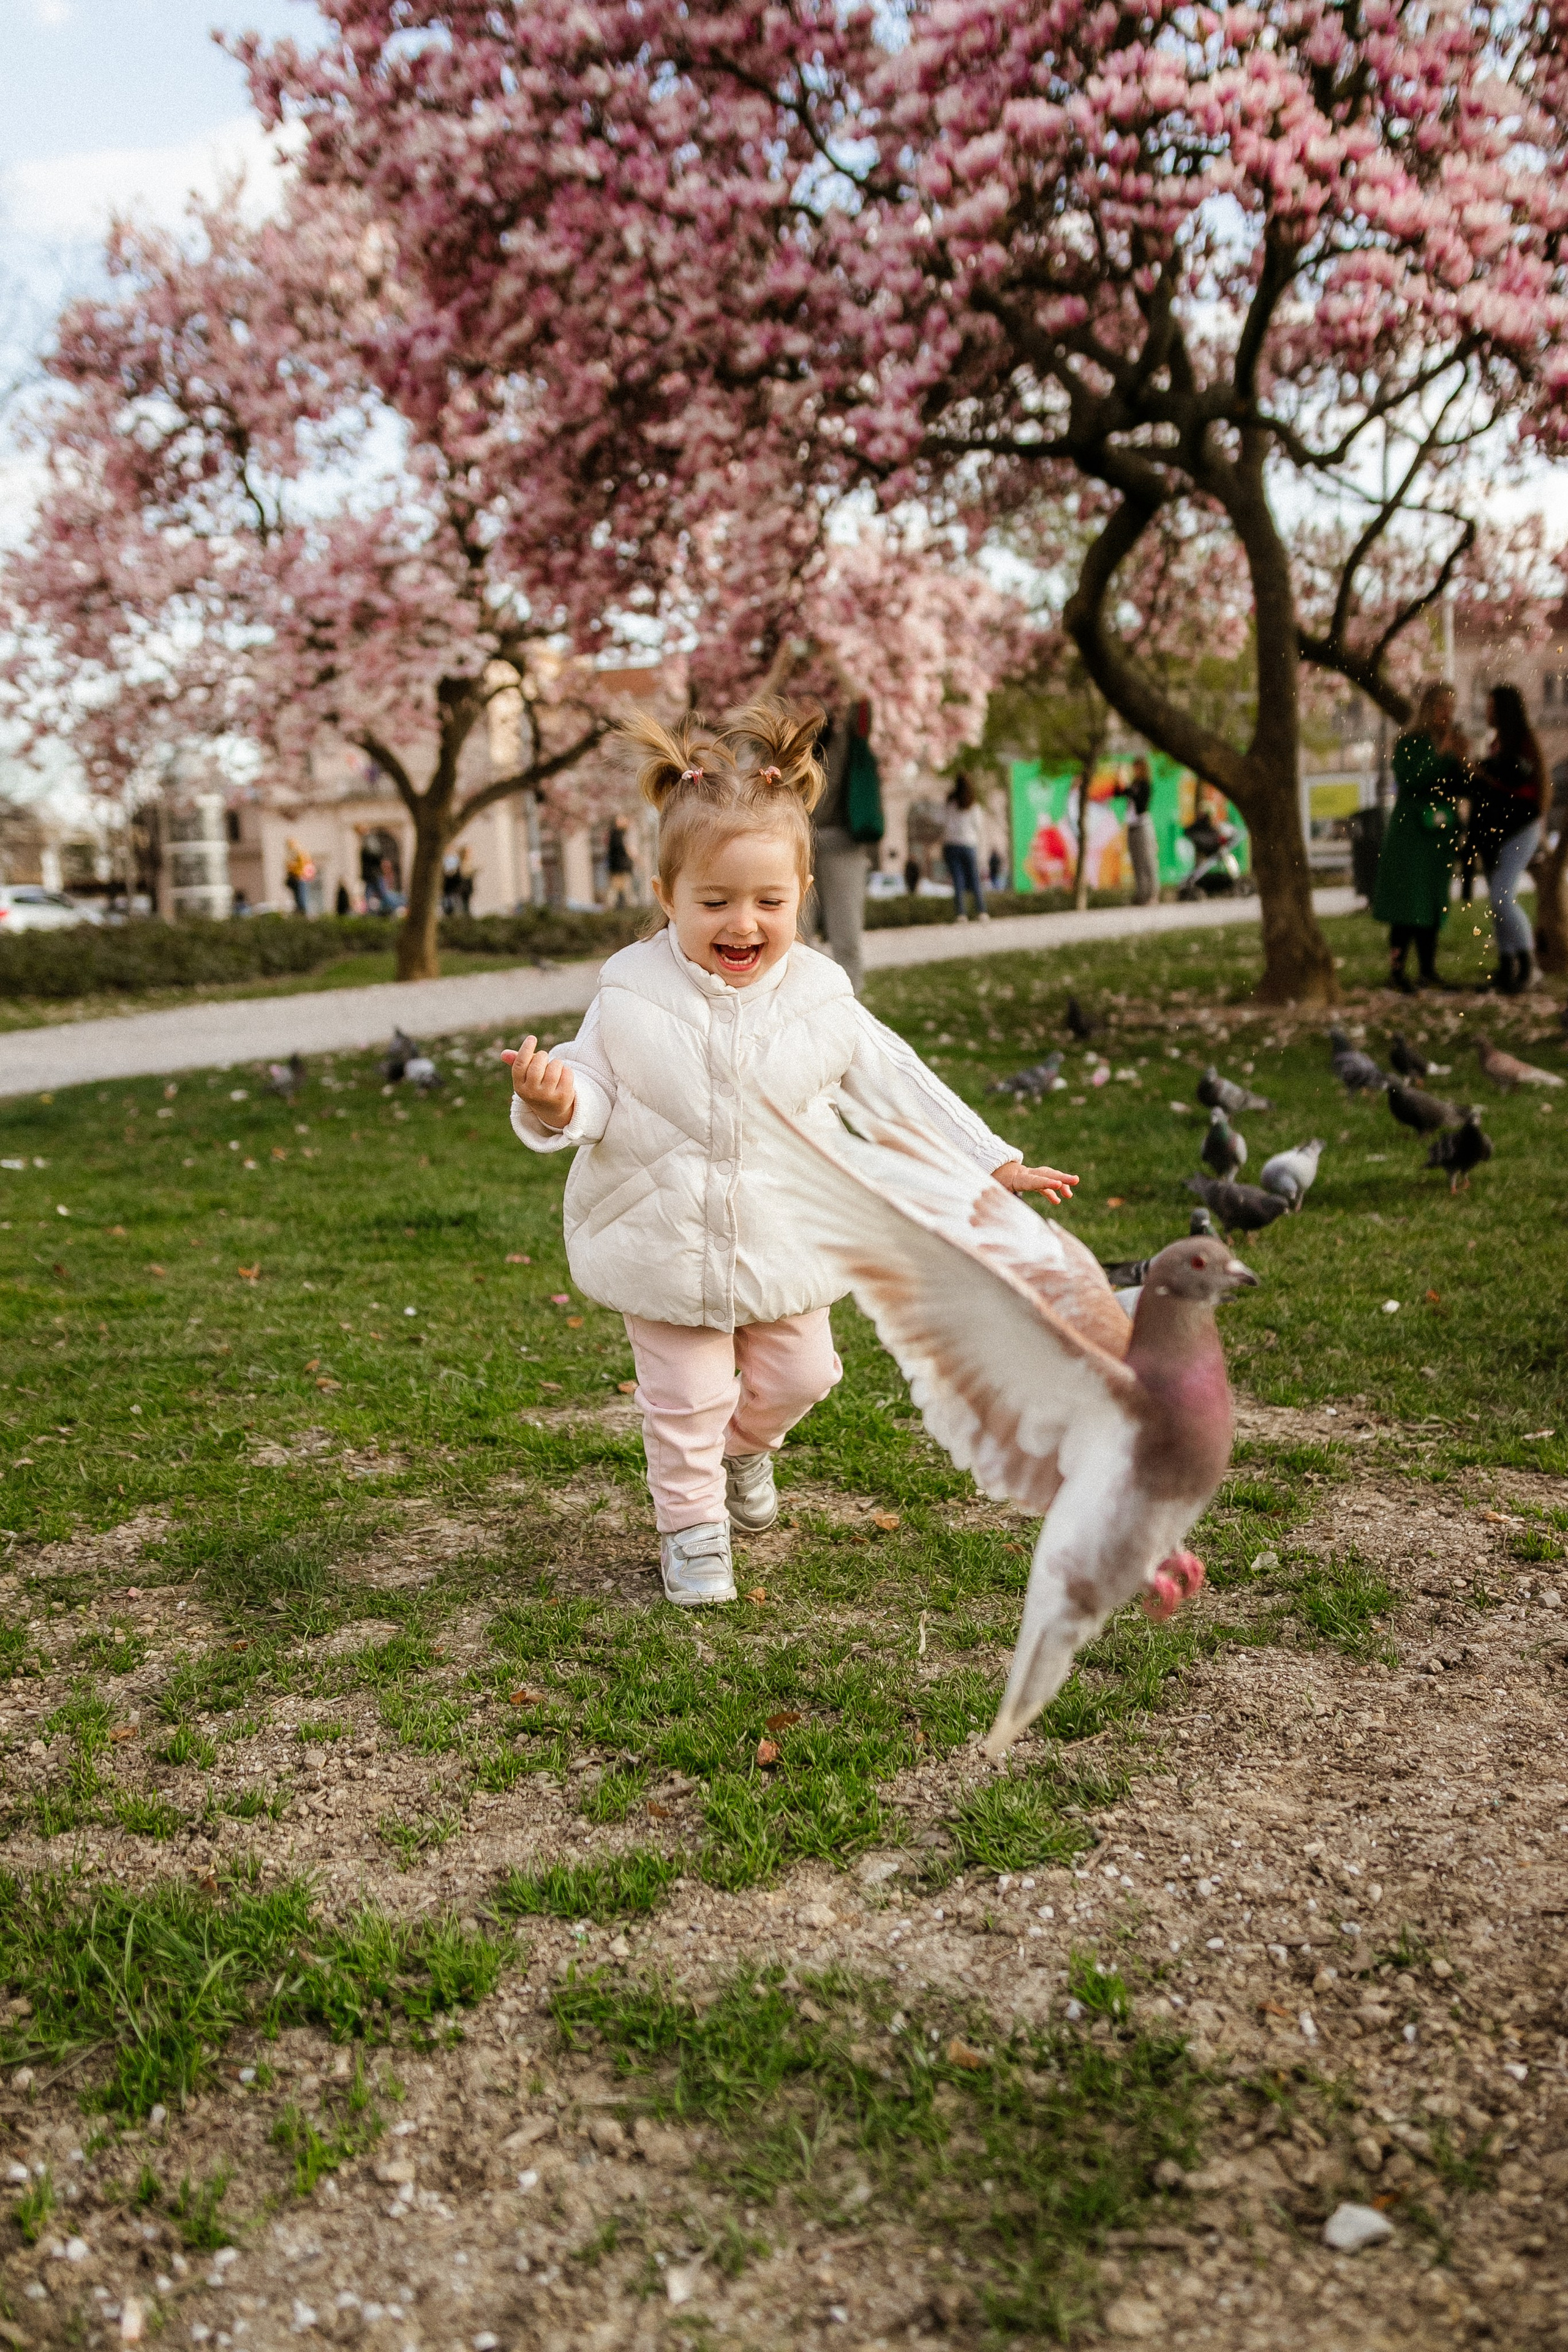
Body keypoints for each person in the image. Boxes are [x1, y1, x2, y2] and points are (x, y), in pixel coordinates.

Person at [502, 698, 1079, 1608]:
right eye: (716, 902)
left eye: (769, 902)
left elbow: (896, 1081)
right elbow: (598, 1084)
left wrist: (987, 1159)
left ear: (803, 897)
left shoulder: (819, 995)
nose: (743, 924)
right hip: (664, 1239)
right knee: (685, 1399)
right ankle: (692, 1532)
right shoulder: (629, 992)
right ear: (667, 899)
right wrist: (557, 1097)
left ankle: (745, 1451)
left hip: (782, 1238)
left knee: (807, 1373)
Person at [1372, 680, 1466, 992]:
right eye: (1443, 707)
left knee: (1433, 901)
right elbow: (1410, 778)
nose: (1448, 715)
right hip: (1412, 831)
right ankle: (1397, 971)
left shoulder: (1452, 742)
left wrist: (1463, 760)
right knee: (1408, 903)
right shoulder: (1411, 741)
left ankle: (1428, 969)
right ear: (1429, 709)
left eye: (1452, 708)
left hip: (1439, 832)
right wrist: (1440, 753)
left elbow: (1458, 783)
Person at [1471, 682, 1545, 992]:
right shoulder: (1499, 743)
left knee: (1502, 896)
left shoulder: (1524, 743)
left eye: (1491, 707)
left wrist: (1482, 773)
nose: (1486, 712)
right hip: (1498, 828)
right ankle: (1507, 965)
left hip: (1520, 825)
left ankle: (1529, 966)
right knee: (1497, 898)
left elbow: (1529, 783)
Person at [942, 774, 988, 921]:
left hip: (952, 845)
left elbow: (944, 822)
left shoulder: (951, 804)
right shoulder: (973, 805)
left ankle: (961, 913)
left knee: (958, 879)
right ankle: (981, 911)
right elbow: (978, 826)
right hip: (969, 844)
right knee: (974, 878)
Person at [1125, 756, 1158, 905]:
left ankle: (1152, 893)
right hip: (1132, 825)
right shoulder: (1134, 784)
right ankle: (1141, 893)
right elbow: (1121, 793)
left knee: (1147, 860)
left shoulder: (1145, 785)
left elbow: (1141, 802)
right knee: (1136, 861)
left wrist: (1131, 790)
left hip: (1142, 825)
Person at [604, 816, 636, 908]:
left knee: (621, 890)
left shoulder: (617, 834)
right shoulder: (617, 835)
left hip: (618, 868)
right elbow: (624, 850)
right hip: (620, 868)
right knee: (622, 890)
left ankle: (612, 907)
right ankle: (630, 908)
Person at [284, 837, 314, 915]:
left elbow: (303, 866)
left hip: (299, 877)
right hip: (295, 877)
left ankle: (302, 912)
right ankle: (300, 910)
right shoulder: (293, 854)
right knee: (298, 897)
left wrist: (294, 868)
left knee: (301, 897)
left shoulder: (299, 853)